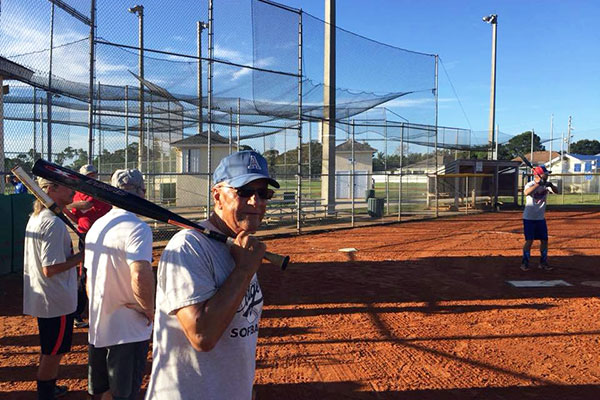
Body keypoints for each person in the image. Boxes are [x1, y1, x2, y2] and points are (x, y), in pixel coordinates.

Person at [145, 150, 278, 400]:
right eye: (244, 192)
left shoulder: (240, 247)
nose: (256, 202)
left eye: (263, 193)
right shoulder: (187, 247)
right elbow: (202, 335)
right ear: (217, 196)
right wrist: (244, 270)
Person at [84, 169, 154, 400]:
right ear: (141, 193)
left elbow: (87, 278)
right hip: (128, 329)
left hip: (99, 326)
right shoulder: (138, 228)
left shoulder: (97, 227)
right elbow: (140, 273)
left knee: (104, 391)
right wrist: (150, 309)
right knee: (125, 394)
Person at [23, 177, 83, 399]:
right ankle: (45, 393)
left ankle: (48, 388)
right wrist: (81, 257)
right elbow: (51, 268)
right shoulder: (53, 222)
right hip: (55, 300)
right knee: (53, 351)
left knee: (51, 348)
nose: (73, 190)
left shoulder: (38, 217)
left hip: (48, 298)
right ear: (51, 189)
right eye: (67, 186)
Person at [65, 164, 111, 329]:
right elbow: (74, 216)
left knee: (103, 271)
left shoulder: (98, 192)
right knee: (85, 273)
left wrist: (65, 206)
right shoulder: (77, 194)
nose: (90, 179)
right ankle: (77, 313)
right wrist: (65, 209)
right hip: (85, 236)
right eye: (87, 176)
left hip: (102, 236)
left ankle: (102, 308)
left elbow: (86, 206)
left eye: (92, 175)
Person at [521, 165, 559, 271]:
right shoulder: (531, 184)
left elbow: (557, 191)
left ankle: (543, 262)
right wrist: (538, 184)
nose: (547, 175)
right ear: (538, 175)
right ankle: (525, 263)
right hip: (529, 218)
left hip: (540, 218)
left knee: (544, 240)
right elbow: (526, 192)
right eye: (545, 173)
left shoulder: (546, 185)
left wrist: (550, 184)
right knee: (529, 240)